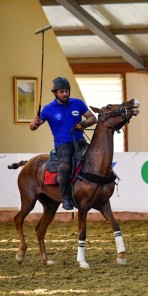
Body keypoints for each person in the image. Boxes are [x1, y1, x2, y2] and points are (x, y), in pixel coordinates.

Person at [30, 77, 97, 210]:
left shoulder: (78, 103)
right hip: (63, 144)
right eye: (62, 91)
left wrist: (84, 123)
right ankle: (66, 197)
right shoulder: (48, 109)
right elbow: (32, 127)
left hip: (80, 141)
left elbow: (93, 117)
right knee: (65, 166)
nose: (65, 94)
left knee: (95, 158)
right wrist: (34, 123)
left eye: (66, 91)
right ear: (55, 93)